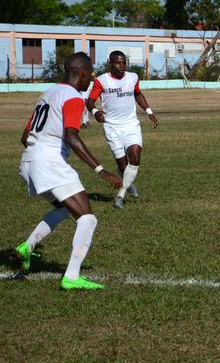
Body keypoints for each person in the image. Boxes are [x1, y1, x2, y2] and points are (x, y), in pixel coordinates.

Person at [14, 52, 122, 290]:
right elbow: (71, 137)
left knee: (64, 209)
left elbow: (25, 137)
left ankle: (27, 247)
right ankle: (72, 276)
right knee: (87, 218)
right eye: (90, 74)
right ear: (81, 72)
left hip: (28, 162)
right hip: (49, 164)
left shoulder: (47, 94)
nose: (91, 79)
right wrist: (101, 170)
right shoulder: (73, 97)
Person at [86, 50, 158, 209]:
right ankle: (129, 184)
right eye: (118, 63)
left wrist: (149, 112)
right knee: (123, 166)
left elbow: (138, 94)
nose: (122, 65)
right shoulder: (101, 81)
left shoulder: (133, 77)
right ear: (110, 64)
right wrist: (95, 112)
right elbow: (90, 101)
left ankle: (120, 196)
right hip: (112, 128)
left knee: (135, 158)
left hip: (131, 125)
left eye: (124, 62)